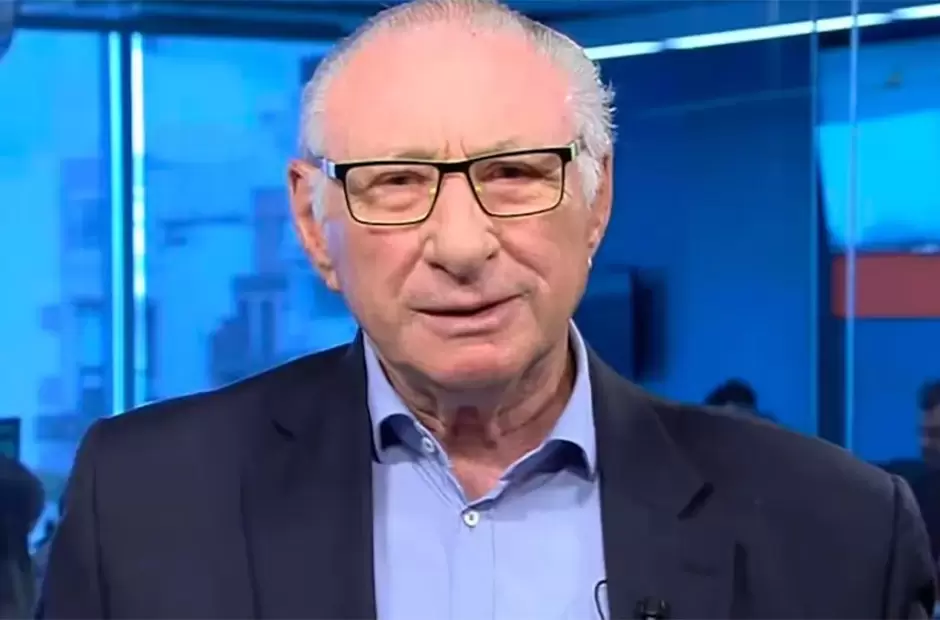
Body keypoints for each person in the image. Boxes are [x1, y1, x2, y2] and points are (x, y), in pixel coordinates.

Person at [40, 1, 936, 618]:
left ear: (596, 199)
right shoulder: (146, 500)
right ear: (314, 226)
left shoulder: (838, 530)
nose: (463, 245)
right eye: (396, 183)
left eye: (513, 174)